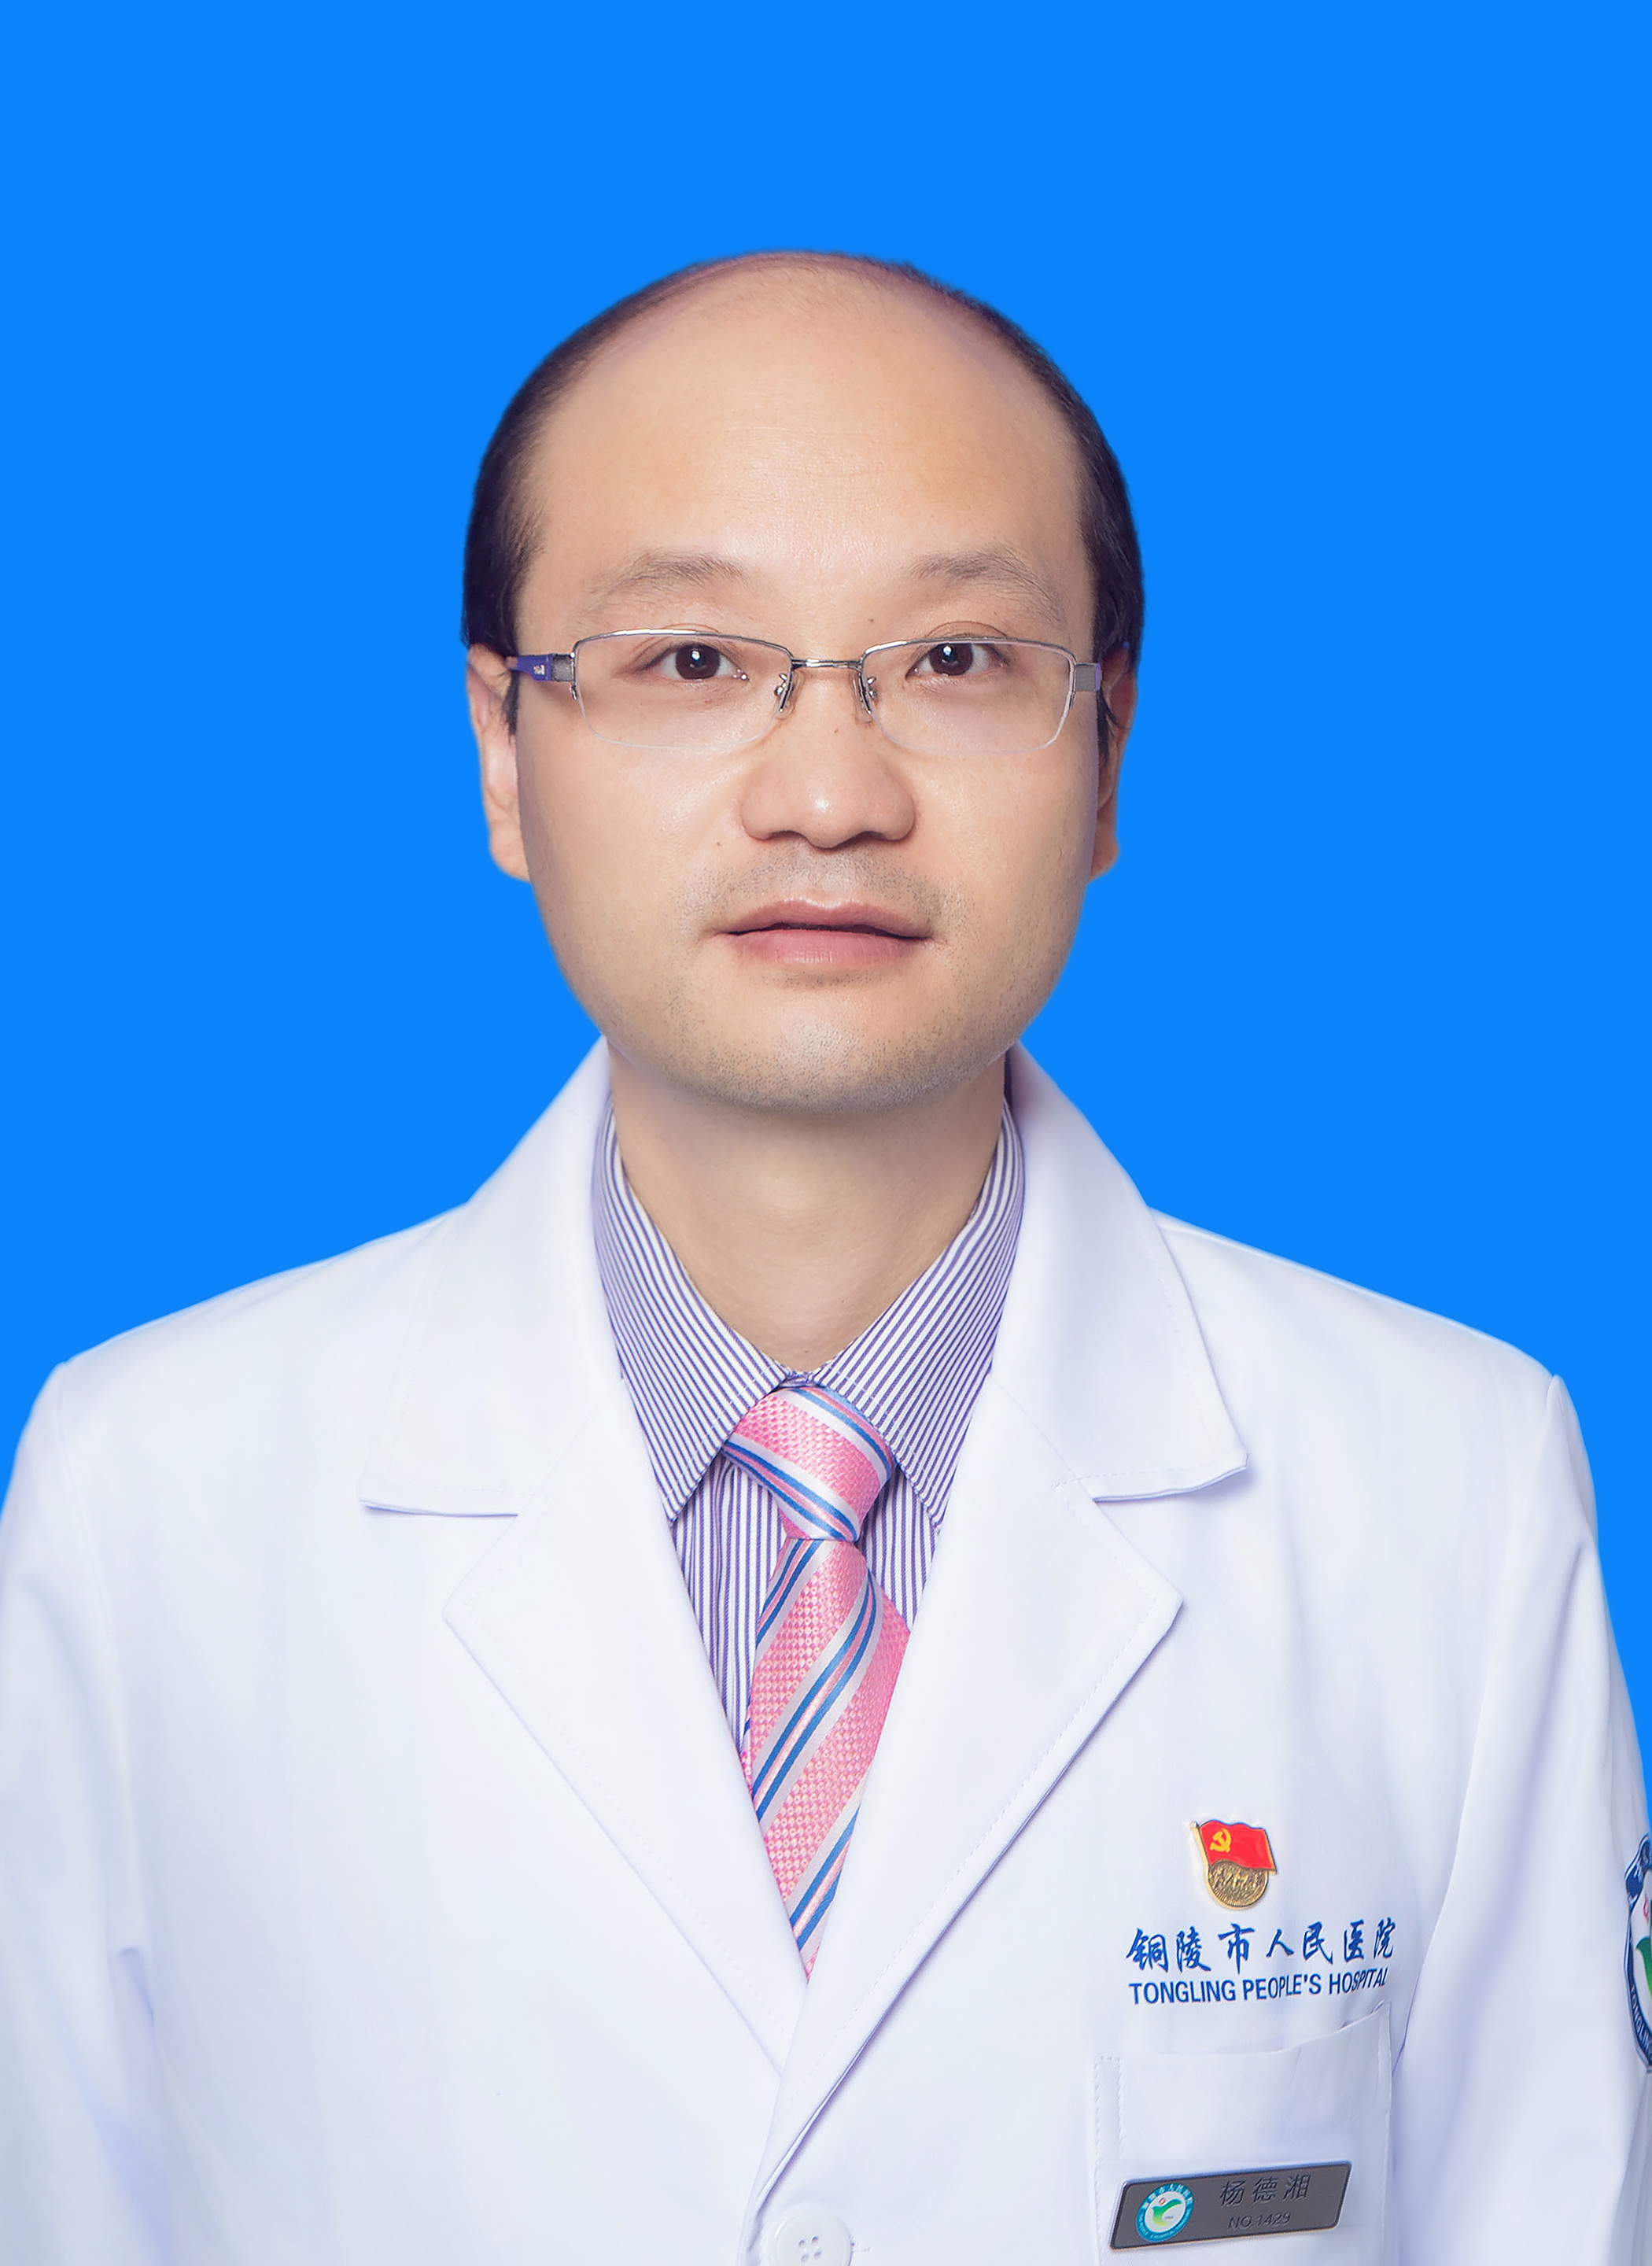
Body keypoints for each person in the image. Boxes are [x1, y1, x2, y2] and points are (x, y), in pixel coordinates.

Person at [0, 251, 1645, 2266]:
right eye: (691, 659)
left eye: (956, 660)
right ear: (505, 750)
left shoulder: (1452, 1489)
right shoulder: (148, 1493)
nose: (829, 796)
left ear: (1109, 749)